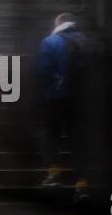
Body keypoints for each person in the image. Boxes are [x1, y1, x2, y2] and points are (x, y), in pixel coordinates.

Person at [36, 12, 95, 199]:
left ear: (58, 23)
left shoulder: (50, 41)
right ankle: (82, 184)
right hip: (82, 100)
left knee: (50, 134)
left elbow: (43, 71)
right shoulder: (88, 41)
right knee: (79, 140)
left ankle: (54, 174)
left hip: (56, 97)